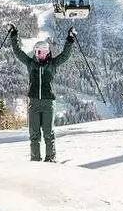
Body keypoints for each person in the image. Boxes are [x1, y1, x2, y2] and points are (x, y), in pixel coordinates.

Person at [8, 24, 76, 162]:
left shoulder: (53, 64)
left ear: (48, 52)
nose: (42, 55)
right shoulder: (30, 63)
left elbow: (65, 55)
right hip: (33, 103)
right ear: (35, 52)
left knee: (48, 133)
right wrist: (14, 34)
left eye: (44, 52)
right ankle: (35, 160)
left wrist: (70, 39)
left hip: (48, 103)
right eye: (39, 52)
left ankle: (50, 159)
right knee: (34, 134)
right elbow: (18, 52)